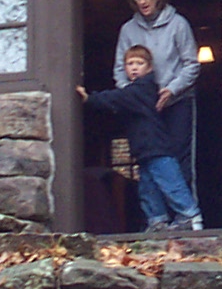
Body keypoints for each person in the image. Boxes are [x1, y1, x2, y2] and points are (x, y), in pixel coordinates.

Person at [78, 44, 203, 231]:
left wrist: (90, 99)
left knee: (170, 181)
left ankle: (190, 215)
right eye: (130, 63)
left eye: (140, 63)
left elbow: (116, 98)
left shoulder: (142, 89)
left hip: (157, 148)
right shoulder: (134, 90)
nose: (134, 67)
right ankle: (157, 220)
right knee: (147, 187)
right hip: (144, 150)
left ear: (150, 68)